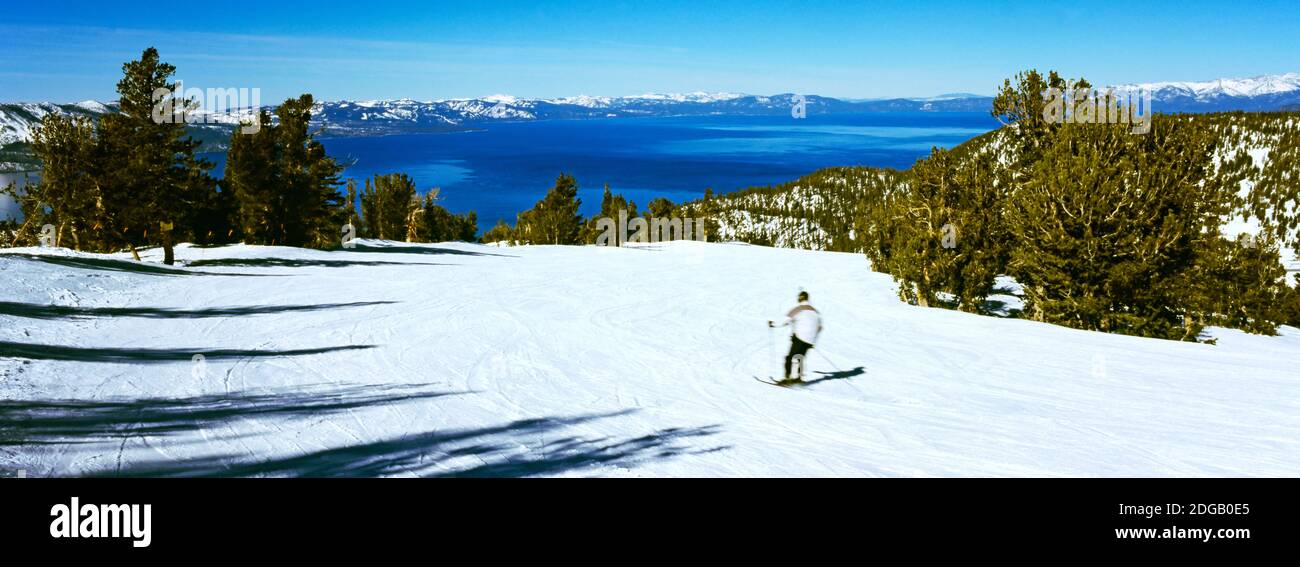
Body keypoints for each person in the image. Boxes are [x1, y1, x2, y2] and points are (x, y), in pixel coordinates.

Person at [768, 291, 822, 383]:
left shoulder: (798, 309)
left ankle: (787, 378)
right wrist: (813, 341)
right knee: (800, 357)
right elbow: (819, 327)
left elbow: (785, 320)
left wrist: (773, 324)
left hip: (800, 338)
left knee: (790, 357)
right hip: (810, 340)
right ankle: (798, 378)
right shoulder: (815, 311)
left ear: (800, 298)